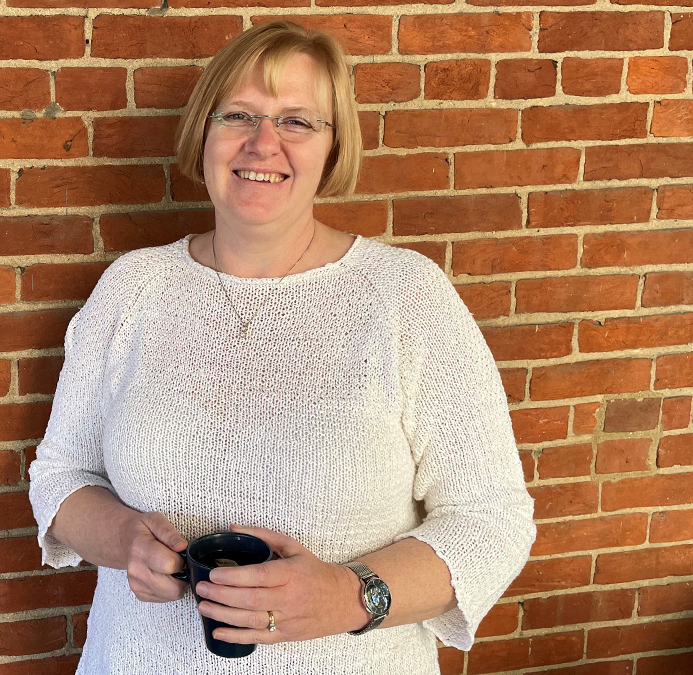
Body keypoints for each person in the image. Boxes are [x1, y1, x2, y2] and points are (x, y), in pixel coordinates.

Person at [28, 20, 535, 674]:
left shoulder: (404, 296)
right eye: (238, 114)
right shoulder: (132, 289)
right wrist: (123, 538)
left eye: (297, 121)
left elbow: (492, 521)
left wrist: (352, 594)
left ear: (333, 147)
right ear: (204, 136)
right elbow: (60, 477)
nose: (263, 143)